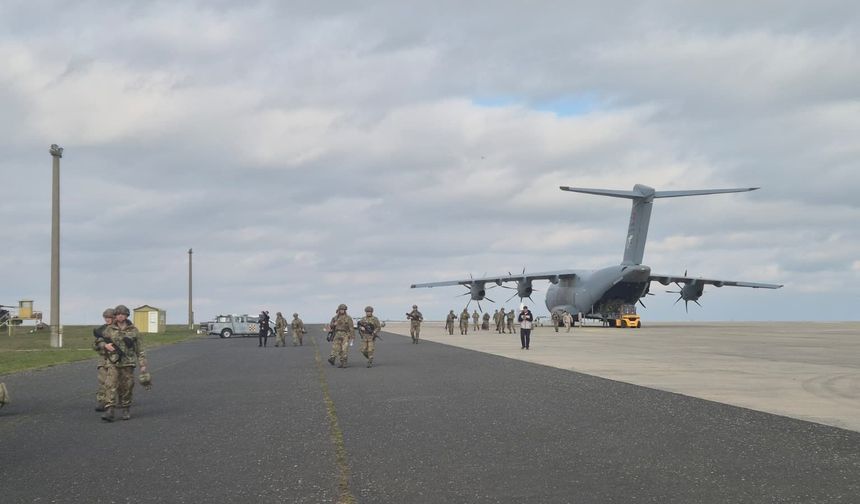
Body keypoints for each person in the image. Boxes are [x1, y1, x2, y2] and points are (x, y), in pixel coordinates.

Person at [98, 304, 147, 422]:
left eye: (123, 314)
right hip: (113, 362)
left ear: (126, 315)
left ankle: (126, 407)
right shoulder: (109, 329)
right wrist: (105, 345)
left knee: (127, 387)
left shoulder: (133, 330)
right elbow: (98, 341)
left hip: (128, 363)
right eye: (118, 314)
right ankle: (109, 410)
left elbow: (140, 348)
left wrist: (143, 364)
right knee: (110, 385)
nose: (120, 316)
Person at [92, 307, 115, 412]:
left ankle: (116, 400)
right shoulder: (101, 330)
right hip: (103, 358)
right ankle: (102, 401)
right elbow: (94, 345)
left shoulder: (119, 329)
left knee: (114, 382)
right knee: (102, 380)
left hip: (115, 359)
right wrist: (102, 345)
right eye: (106, 317)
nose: (107, 319)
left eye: (110, 317)